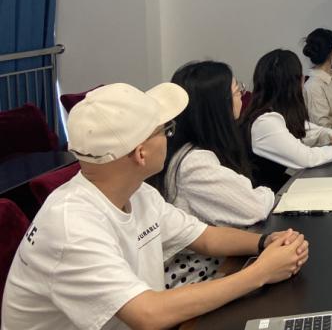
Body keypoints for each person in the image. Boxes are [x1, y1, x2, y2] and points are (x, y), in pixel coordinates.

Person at [0, 83, 309, 330]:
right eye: (165, 130)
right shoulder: (70, 226)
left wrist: (264, 242)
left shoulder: (137, 192)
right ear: (141, 154)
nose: (170, 138)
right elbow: (148, 314)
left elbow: (204, 237)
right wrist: (260, 273)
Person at [149, 61, 276, 289]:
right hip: (195, 275)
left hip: (214, 260)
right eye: (237, 91)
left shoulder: (190, 151)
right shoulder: (193, 163)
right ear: (217, 106)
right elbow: (254, 208)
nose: (242, 96)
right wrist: (268, 191)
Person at [242, 49, 332, 190]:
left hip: (276, 185)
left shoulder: (278, 111)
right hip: (267, 195)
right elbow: (305, 158)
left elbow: (309, 130)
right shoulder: (265, 122)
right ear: (298, 82)